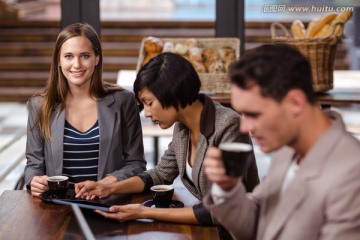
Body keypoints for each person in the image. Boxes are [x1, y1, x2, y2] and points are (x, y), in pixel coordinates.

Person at [75, 52, 259, 226]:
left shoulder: (228, 125)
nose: (146, 113)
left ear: (173, 93)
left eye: (149, 103)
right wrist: (108, 188)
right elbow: (160, 175)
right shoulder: (182, 126)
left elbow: (219, 210)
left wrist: (144, 212)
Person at [203, 43, 360, 240]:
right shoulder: (288, 148)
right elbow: (257, 224)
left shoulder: (352, 175)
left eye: (253, 114)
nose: (244, 127)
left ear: (295, 103)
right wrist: (227, 187)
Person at [24, 23, 146, 197]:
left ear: (97, 58)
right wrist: (34, 180)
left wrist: (106, 183)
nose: (77, 64)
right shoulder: (40, 105)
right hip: (57, 205)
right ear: (58, 60)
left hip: (108, 203)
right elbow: (33, 165)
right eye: (68, 56)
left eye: (85, 56)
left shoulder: (123, 101)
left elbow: (136, 163)